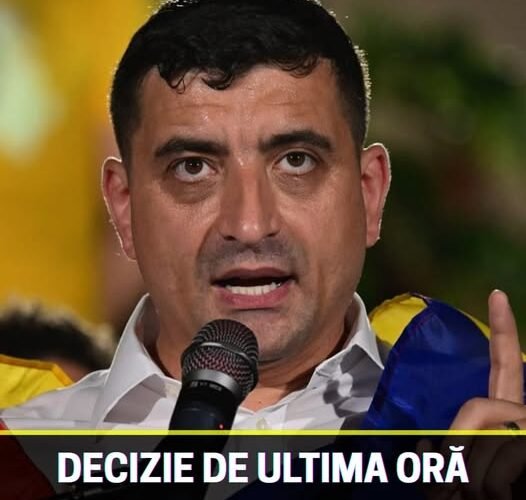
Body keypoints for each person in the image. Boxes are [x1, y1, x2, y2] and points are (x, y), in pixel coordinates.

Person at [1, 0, 525, 496]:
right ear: (123, 207)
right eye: (193, 168)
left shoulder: (465, 409)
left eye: (296, 161)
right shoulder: (21, 456)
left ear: (370, 193)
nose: (249, 225)